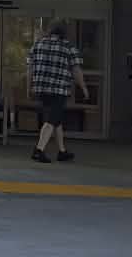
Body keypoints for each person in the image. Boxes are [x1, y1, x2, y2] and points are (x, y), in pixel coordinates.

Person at [27, 22, 87, 164]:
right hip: (59, 89)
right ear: (64, 33)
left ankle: (62, 151)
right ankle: (39, 150)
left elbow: (29, 69)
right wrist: (83, 87)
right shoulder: (68, 47)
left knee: (56, 120)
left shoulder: (37, 45)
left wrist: (28, 87)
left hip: (41, 88)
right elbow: (76, 71)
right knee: (51, 120)